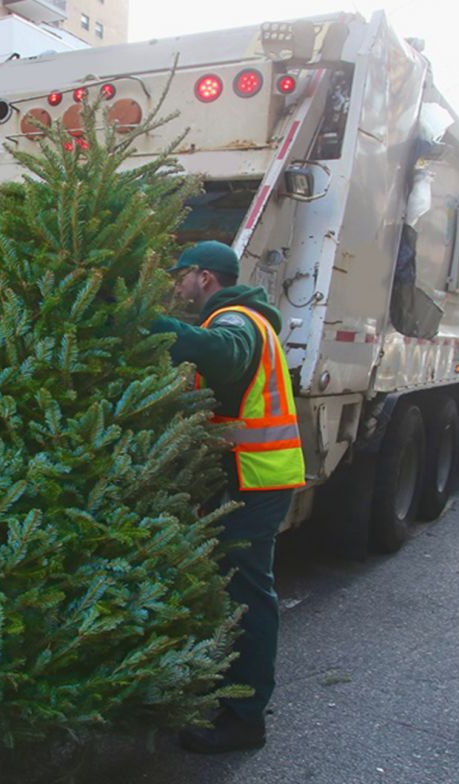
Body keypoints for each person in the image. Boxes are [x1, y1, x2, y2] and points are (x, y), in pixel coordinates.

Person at [150, 240, 306, 754]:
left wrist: (146, 324)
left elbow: (224, 354)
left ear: (205, 277)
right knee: (237, 589)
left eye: (182, 277)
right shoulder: (241, 317)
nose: (178, 286)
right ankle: (229, 695)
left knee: (248, 594)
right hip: (246, 476)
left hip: (257, 478)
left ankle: (244, 720)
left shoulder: (237, 321)